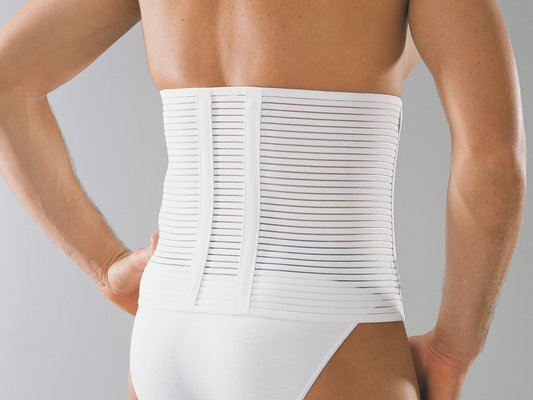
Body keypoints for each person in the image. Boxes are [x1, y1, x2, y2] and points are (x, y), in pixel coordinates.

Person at [0, 0, 526, 399]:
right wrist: (452, 350)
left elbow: (8, 77)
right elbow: (494, 163)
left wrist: (106, 264)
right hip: (329, 328)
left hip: (167, 330)